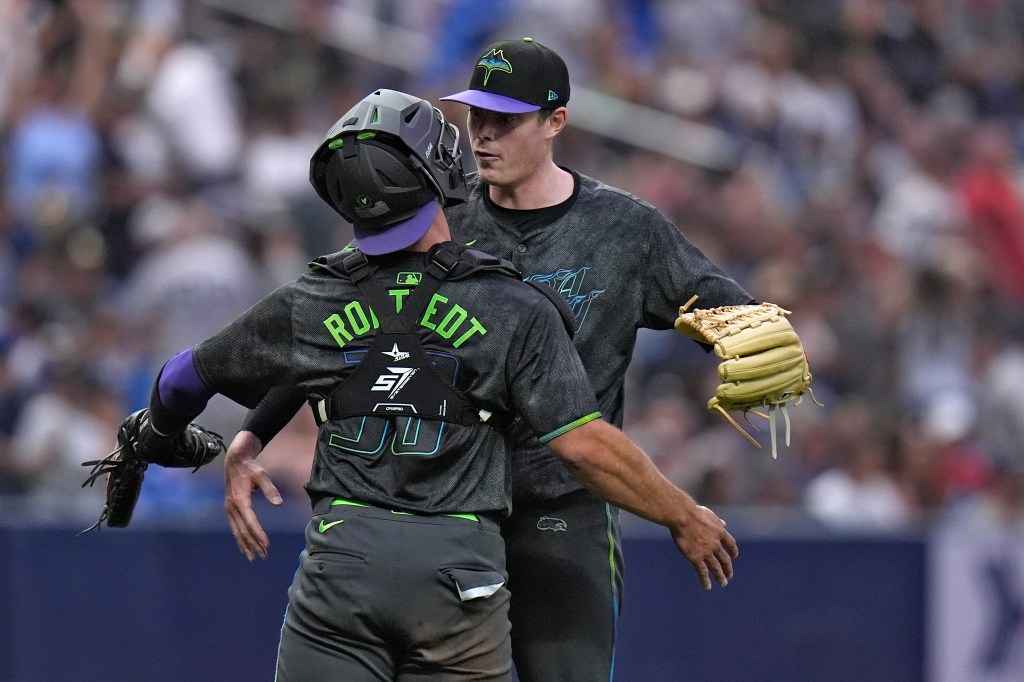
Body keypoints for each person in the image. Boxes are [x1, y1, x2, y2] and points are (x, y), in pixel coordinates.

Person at [138, 88, 737, 681]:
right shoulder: (513, 306)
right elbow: (582, 445)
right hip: (459, 569)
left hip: (342, 560)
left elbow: (182, 377)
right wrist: (682, 514)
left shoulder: (315, 298)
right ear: (443, 172)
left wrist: (163, 435)